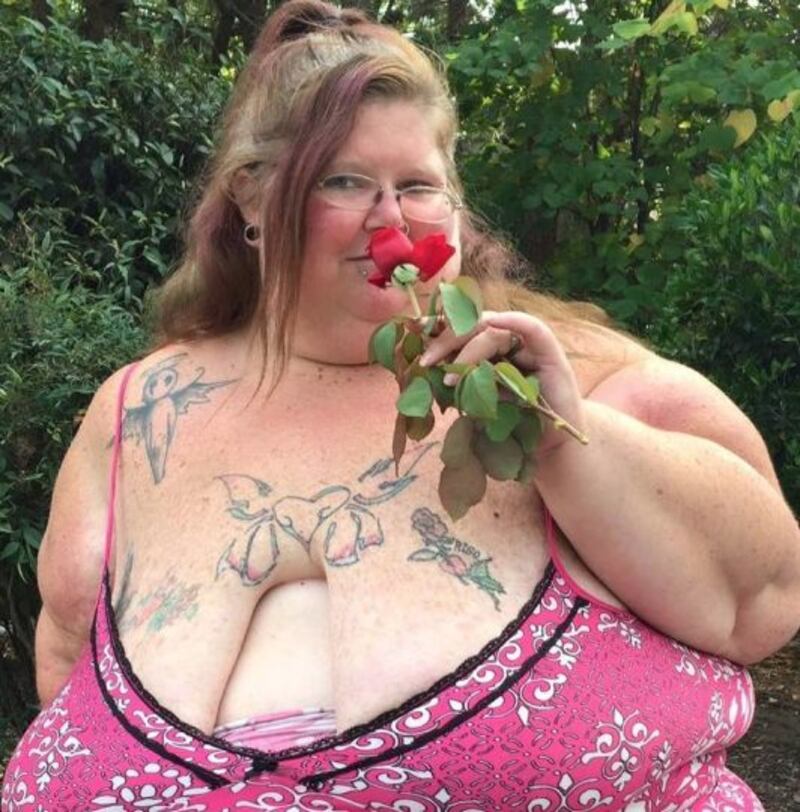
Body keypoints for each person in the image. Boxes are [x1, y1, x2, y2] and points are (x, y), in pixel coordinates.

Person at [3, 2, 799, 809]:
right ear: (250, 196)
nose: (390, 218)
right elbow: (65, 664)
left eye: (418, 185)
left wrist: (566, 440)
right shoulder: (138, 413)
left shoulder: (577, 382)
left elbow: (761, 603)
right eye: (343, 181)